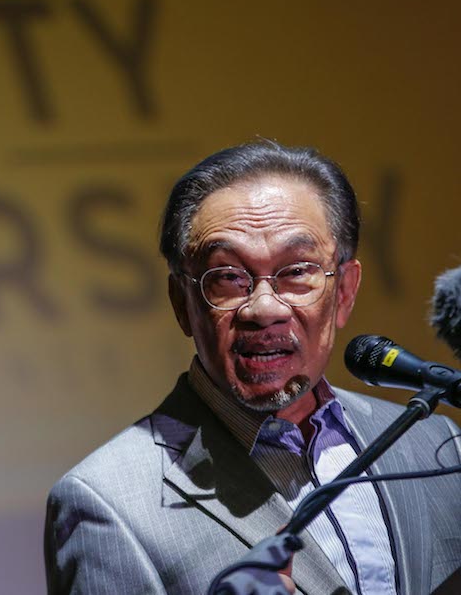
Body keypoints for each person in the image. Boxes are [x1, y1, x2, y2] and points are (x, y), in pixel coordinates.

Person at [44, 140, 461, 595]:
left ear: (343, 292)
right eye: (227, 277)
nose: (263, 307)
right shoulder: (107, 503)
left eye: (297, 270)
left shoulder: (436, 446)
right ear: (182, 304)